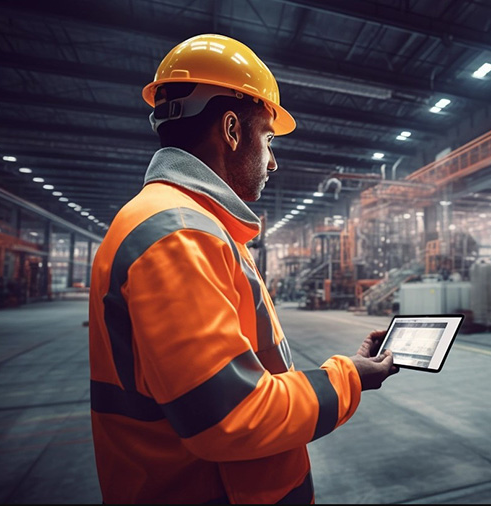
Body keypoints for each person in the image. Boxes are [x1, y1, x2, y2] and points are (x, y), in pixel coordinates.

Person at [88, 34, 398, 504]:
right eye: (268, 139)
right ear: (232, 130)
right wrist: (350, 376)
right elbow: (231, 418)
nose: (273, 161)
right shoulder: (180, 235)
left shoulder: (188, 224)